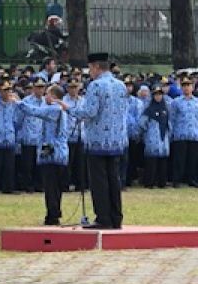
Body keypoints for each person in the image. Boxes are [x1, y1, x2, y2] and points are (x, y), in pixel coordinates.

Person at [69, 53, 128, 230]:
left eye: (90, 69)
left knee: (99, 181)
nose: (90, 72)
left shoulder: (95, 86)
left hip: (97, 141)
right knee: (114, 179)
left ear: (95, 67)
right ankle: (116, 217)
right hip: (116, 140)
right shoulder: (120, 85)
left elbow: (90, 112)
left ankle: (103, 217)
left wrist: (70, 109)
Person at [15, 84, 71, 225]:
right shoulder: (62, 110)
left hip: (52, 153)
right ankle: (55, 212)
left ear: (53, 96)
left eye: (47, 94)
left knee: (50, 187)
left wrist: (18, 103)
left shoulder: (54, 109)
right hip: (62, 153)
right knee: (57, 187)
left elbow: (35, 111)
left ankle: (52, 216)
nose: (45, 96)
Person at [168, 77, 198, 187]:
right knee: (179, 160)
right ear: (181, 87)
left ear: (192, 87)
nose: (186, 88)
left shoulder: (197, 102)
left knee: (193, 160)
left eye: (188, 85)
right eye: (184, 86)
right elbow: (172, 118)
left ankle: (192, 179)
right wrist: (171, 134)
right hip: (180, 134)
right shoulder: (176, 102)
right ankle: (177, 180)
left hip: (194, 134)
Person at [140, 87, 170, 188]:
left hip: (163, 138)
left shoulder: (166, 108)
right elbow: (142, 123)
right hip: (152, 137)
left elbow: (169, 123)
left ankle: (162, 182)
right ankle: (149, 182)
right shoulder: (149, 109)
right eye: (156, 95)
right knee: (151, 161)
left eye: (160, 94)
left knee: (163, 161)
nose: (158, 96)